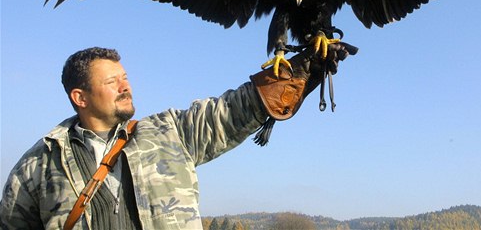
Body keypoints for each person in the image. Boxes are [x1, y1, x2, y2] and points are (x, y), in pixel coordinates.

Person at [0, 43, 354, 229]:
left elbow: (228, 113)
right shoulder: (39, 167)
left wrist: (302, 68)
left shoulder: (168, 133)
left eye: (125, 77)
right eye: (112, 82)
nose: (126, 86)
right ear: (80, 98)